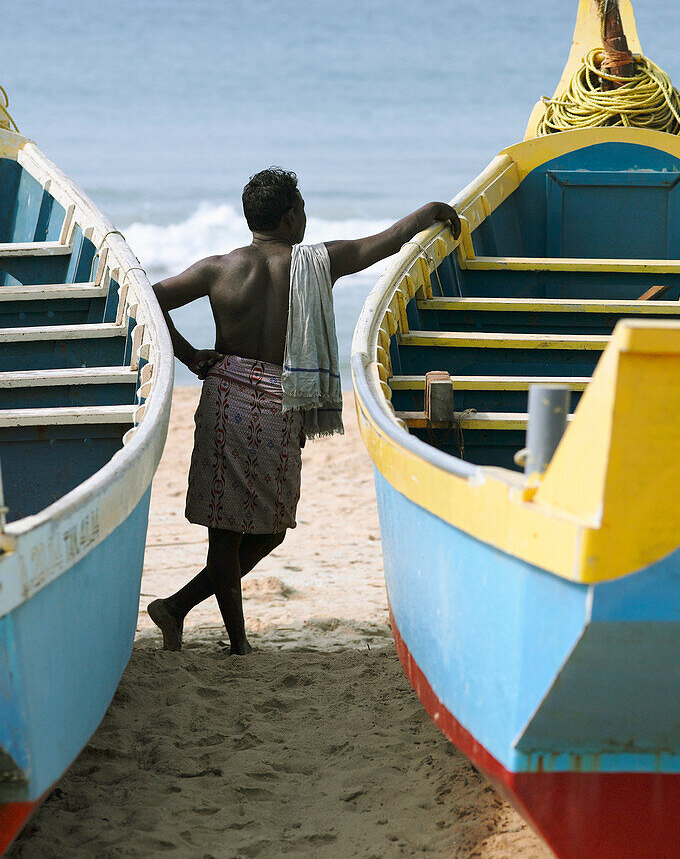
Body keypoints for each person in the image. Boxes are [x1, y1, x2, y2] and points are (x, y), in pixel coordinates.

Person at [147, 167, 460, 654]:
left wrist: (190, 356)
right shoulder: (319, 262)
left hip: (227, 396)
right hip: (284, 401)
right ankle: (235, 643)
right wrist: (431, 212)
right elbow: (384, 242)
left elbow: (148, 299)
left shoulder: (219, 268)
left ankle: (179, 608)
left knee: (235, 529)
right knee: (265, 527)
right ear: (292, 217)